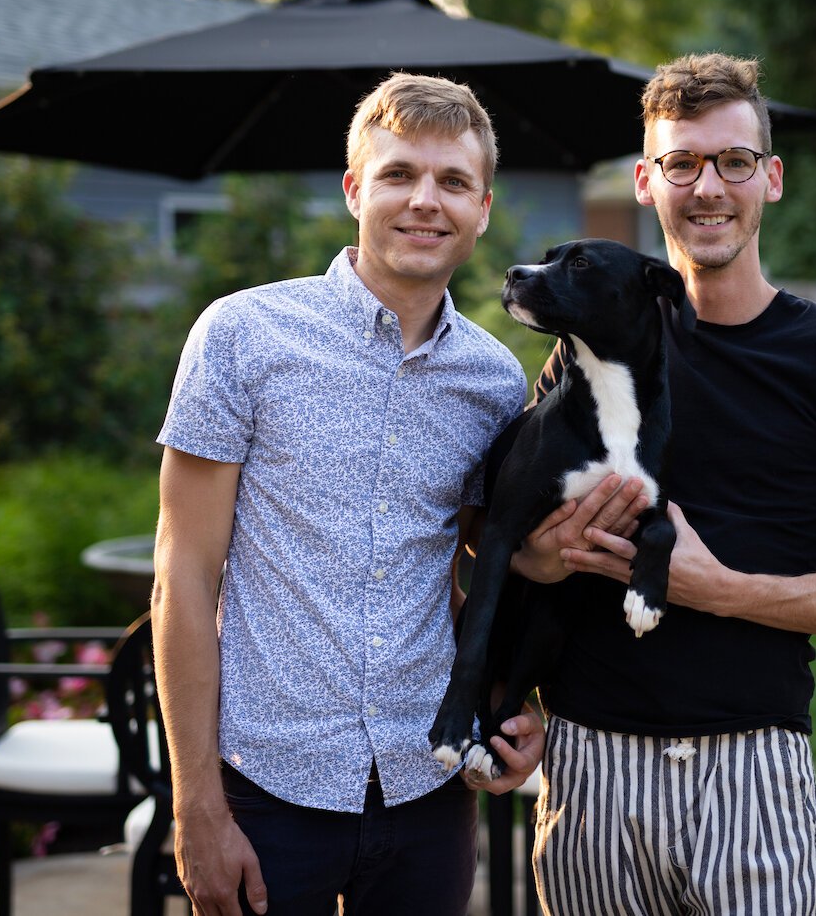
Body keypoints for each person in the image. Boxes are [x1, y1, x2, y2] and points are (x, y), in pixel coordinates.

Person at [512, 53, 816, 915]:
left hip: (753, 768)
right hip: (592, 769)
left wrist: (721, 590)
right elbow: (514, 547)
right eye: (682, 163)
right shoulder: (584, 346)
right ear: (646, 181)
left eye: (733, 161)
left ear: (770, 178)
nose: (709, 187)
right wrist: (541, 566)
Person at [152, 72, 547, 916]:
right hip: (265, 784)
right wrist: (196, 806)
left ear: (482, 207)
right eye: (399, 174)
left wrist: (521, 703)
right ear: (353, 189)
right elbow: (182, 575)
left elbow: (495, 566)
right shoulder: (241, 335)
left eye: (452, 182)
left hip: (427, 786)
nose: (424, 202)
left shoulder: (494, 379)